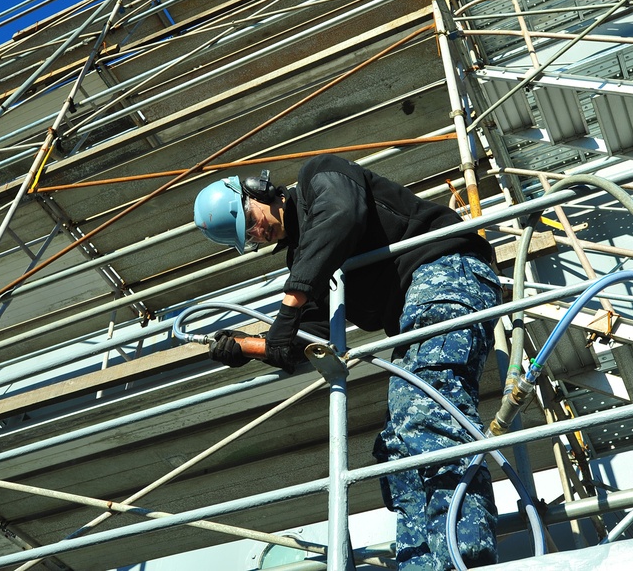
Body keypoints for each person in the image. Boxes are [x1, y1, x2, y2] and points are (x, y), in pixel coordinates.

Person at [193, 154, 500, 569]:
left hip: (446, 272)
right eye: (248, 236)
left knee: (430, 413)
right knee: (400, 441)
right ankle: (425, 563)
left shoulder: (320, 176)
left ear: (256, 190)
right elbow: (310, 337)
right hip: (411, 315)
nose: (257, 231)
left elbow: (343, 216)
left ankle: (466, 555)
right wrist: (247, 347)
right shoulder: (305, 261)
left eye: (248, 218)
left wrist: (289, 305)